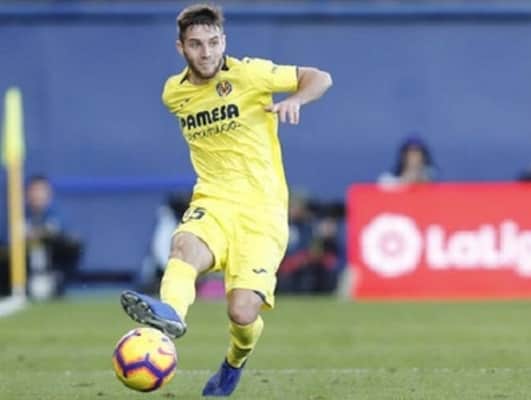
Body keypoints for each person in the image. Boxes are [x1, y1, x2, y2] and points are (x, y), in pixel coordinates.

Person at [119, 3, 332, 397]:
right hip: (214, 200)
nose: (207, 53)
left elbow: (320, 77)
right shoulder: (173, 93)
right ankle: (171, 314)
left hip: (262, 211)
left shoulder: (251, 73)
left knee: (242, 311)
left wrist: (296, 100)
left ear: (224, 41)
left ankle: (235, 360)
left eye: (214, 42)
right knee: (184, 246)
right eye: (196, 44)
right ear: (181, 47)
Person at [0, 175, 83, 299]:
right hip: (23, 266)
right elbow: (8, 240)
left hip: (51, 263)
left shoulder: (57, 214)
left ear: (49, 194)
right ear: (27, 194)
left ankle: (56, 281)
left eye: (41, 191)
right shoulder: (16, 214)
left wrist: (38, 233)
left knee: (72, 244)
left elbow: (64, 235)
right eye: (34, 191)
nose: (37, 195)